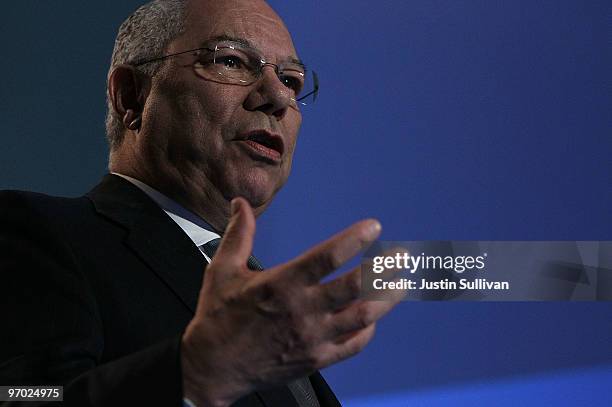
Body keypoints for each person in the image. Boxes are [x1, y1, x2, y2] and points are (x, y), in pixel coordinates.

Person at [0, 0, 405, 405]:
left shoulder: (261, 303)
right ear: (132, 96)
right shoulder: (39, 234)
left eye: (291, 80)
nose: (277, 97)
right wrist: (196, 375)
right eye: (230, 61)